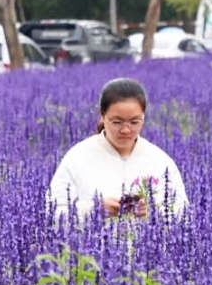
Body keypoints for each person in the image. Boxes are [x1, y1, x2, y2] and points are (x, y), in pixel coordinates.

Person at [46, 78, 188, 222]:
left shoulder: (159, 161)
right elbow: (52, 214)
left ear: (143, 118)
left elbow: (182, 215)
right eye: (117, 122)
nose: (126, 130)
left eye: (134, 122)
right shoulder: (78, 158)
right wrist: (94, 209)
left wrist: (151, 212)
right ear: (102, 116)